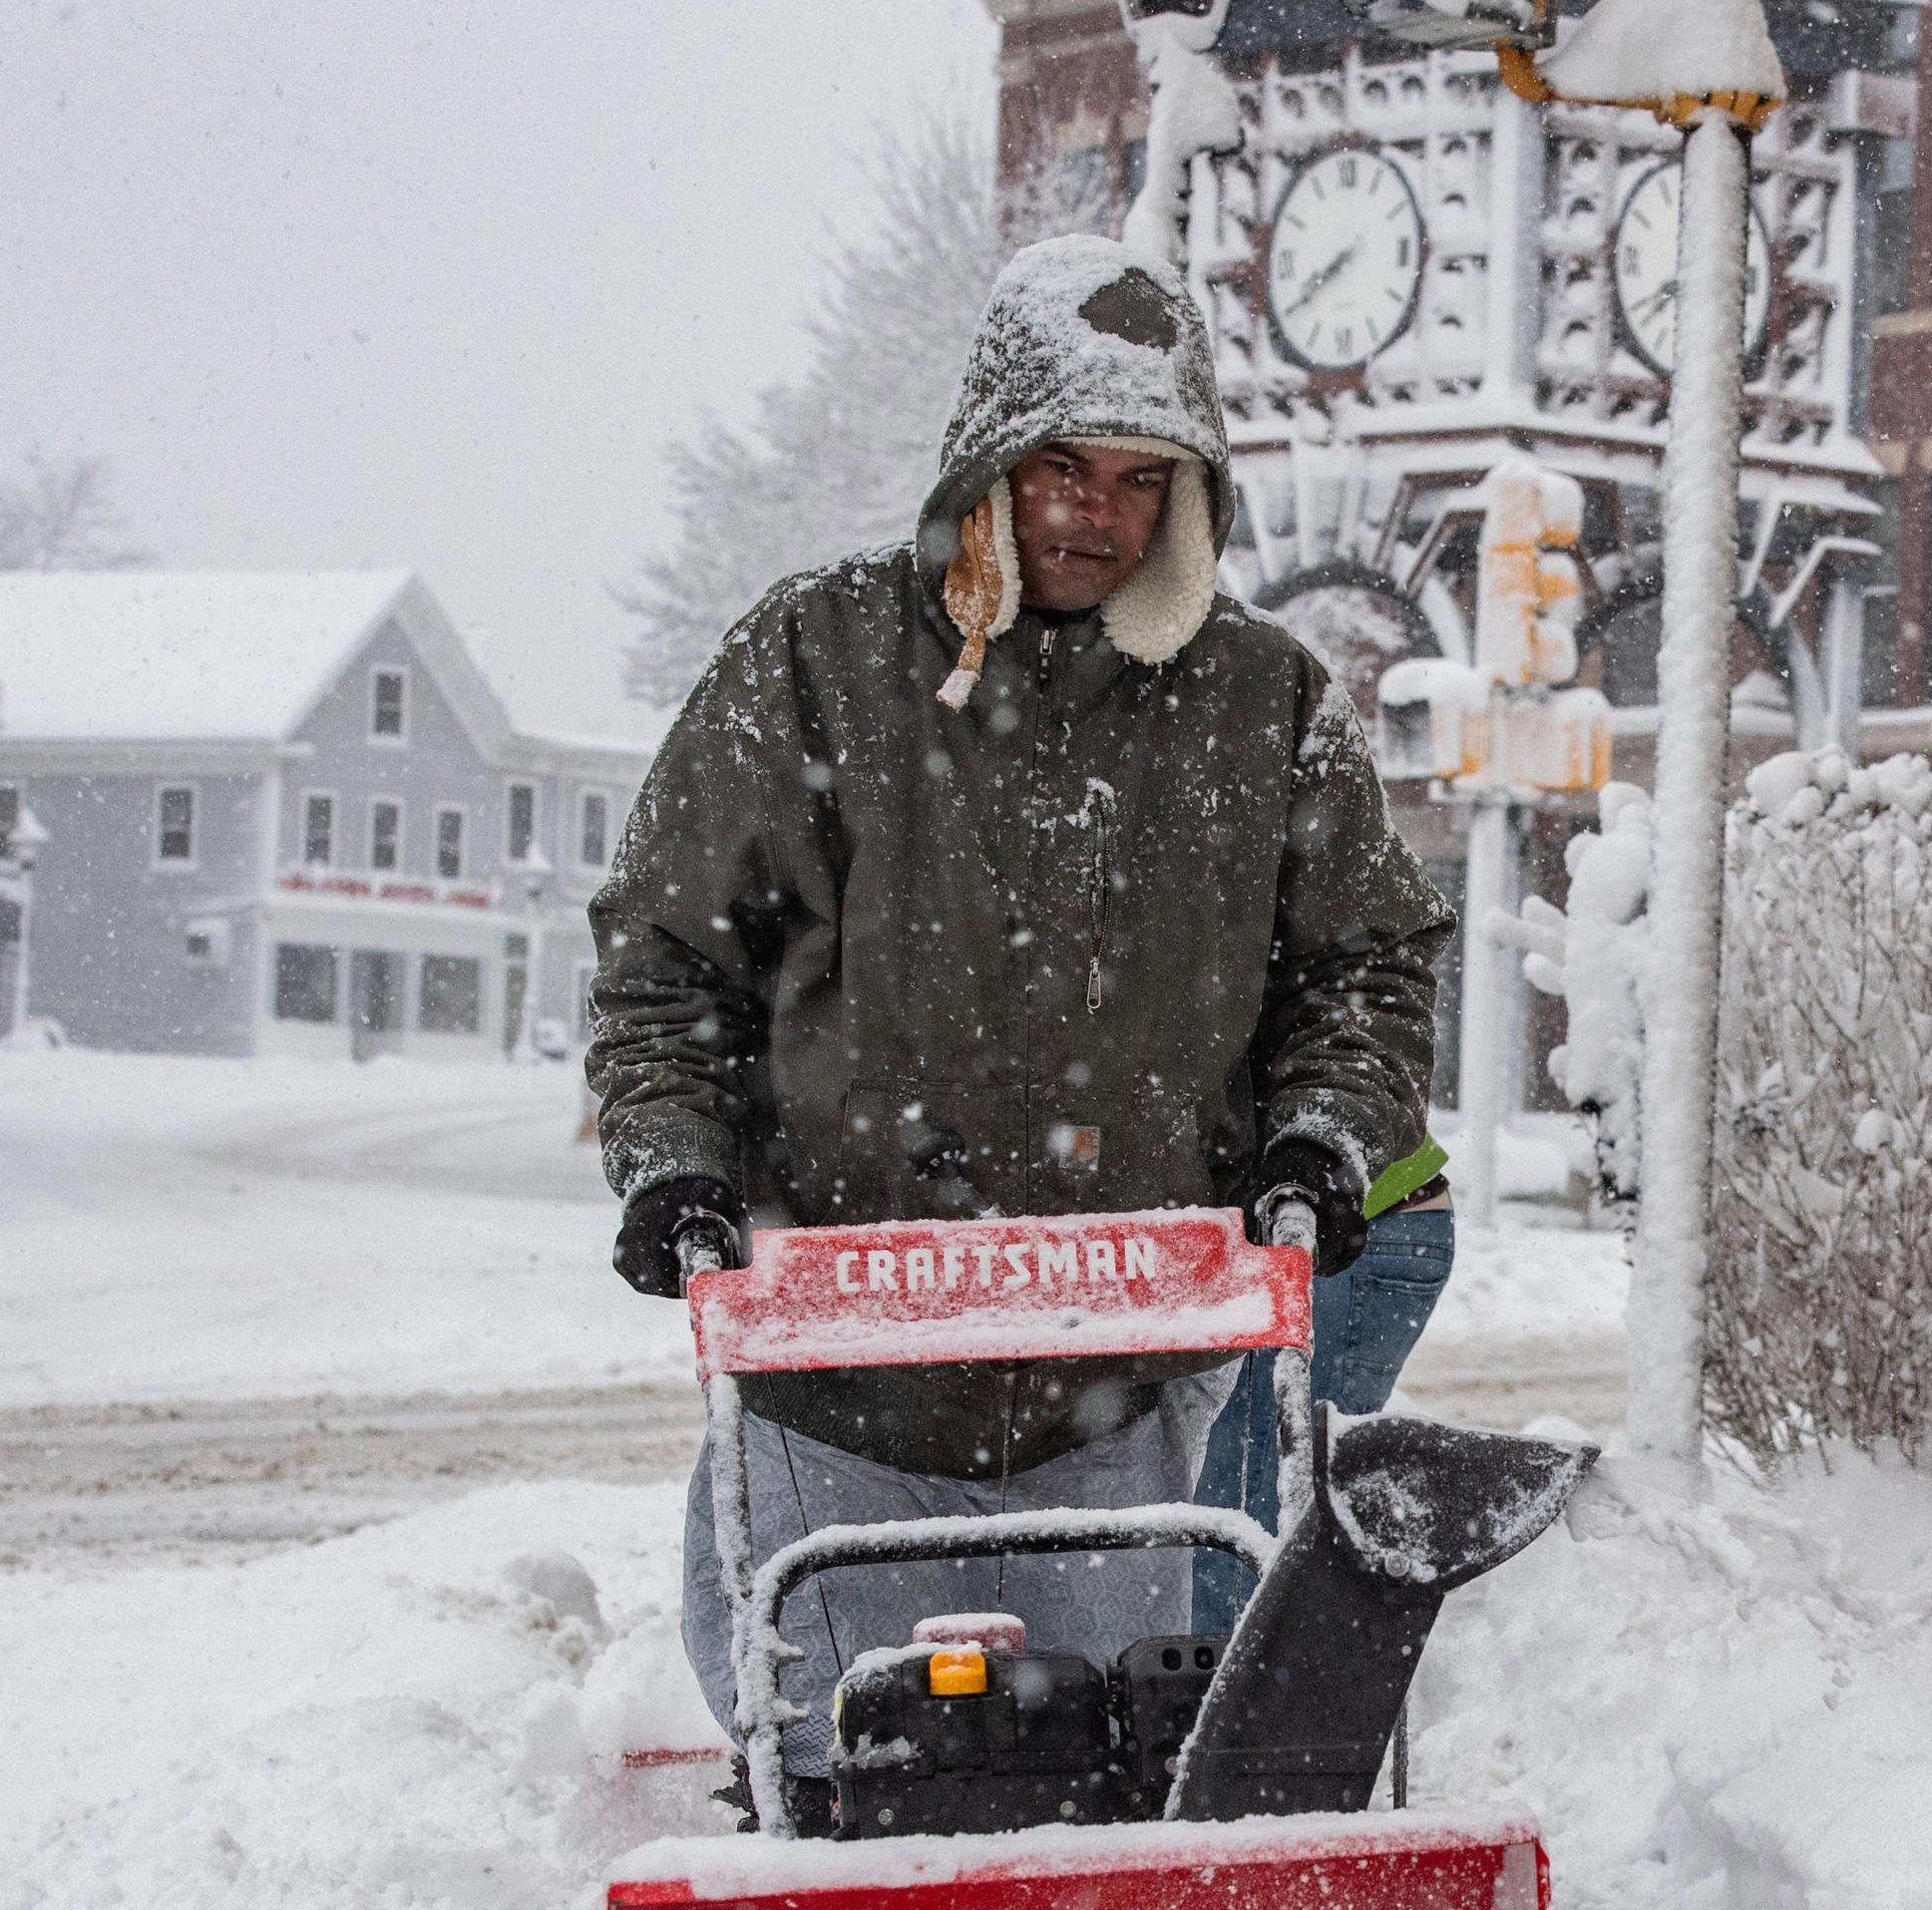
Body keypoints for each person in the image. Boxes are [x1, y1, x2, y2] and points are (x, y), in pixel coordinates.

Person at [585, 233, 1448, 1829]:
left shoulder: (1261, 704)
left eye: (1138, 478)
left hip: (1122, 1392)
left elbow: (1367, 965)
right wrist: (673, 1163)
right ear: (988, 455)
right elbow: (666, 956)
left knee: (1117, 1790)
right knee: (846, 1788)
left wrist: (1319, 1134)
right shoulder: (818, 662)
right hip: (829, 1381)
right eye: (1058, 464)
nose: (1091, 513)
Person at [1191, 1138, 1456, 1639]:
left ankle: (1229, 1696)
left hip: (1339, 1229)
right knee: (1263, 1490)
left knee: (1249, 1501)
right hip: (1362, 1215)